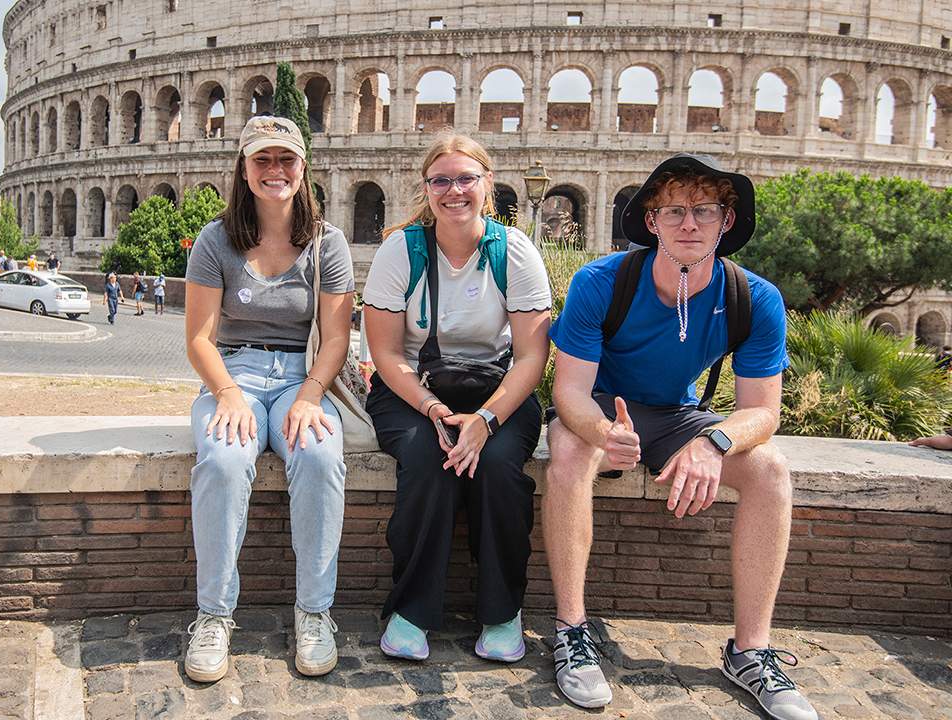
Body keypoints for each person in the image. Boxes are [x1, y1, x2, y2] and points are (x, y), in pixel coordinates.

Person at [545, 153, 816, 720]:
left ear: (726, 221)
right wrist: (602, 430)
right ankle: (571, 632)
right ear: (651, 221)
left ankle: (750, 650)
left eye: (704, 210)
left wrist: (713, 442)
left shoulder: (754, 298)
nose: (689, 223)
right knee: (570, 450)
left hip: (677, 415)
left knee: (770, 469)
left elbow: (763, 413)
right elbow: (568, 390)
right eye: (673, 210)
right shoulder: (602, 281)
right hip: (603, 407)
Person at [360, 133, 551, 664]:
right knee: (426, 457)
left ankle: (502, 612)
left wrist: (486, 419)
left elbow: (533, 358)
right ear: (427, 189)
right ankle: (412, 609)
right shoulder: (402, 249)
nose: (454, 190)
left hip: (499, 391)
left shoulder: (514, 251)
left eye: (467, 178)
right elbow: (386, 354)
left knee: (497, 467)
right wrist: (435, 411)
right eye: (441, 180)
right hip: (410, 390)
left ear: (487, 185)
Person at [182, 114, 354, 683]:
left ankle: (314, 612)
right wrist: (227, 393)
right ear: (245, 169)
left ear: (303, 169)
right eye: (263, 159)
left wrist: (310, 396)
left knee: (321, 454)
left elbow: (336, 339)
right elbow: (199, 339)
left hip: (302, 376)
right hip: (234, 372)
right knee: (226, 457)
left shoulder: (327, 242)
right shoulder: (216, 238)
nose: (275, 170)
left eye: (286, 159)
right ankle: (213, 616)